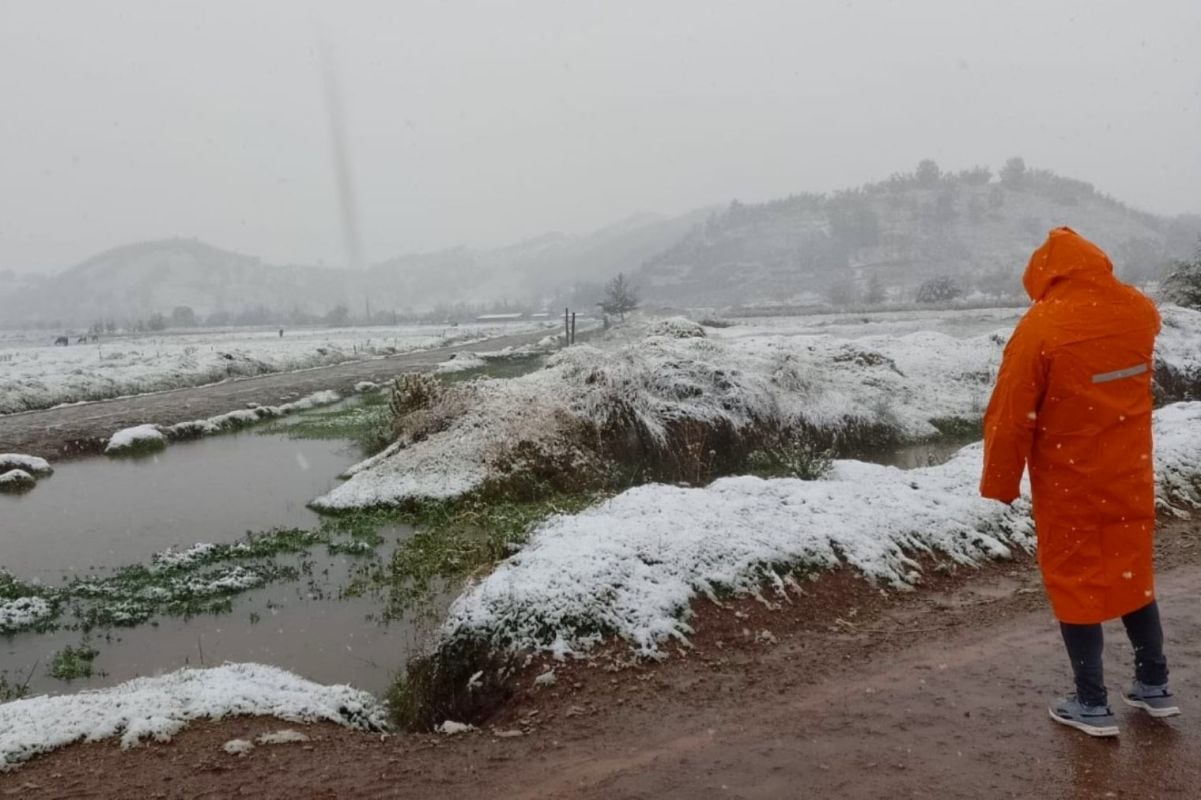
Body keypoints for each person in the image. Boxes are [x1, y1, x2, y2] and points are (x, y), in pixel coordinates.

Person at [980, 227, 1178, 738]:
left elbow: (1010, 413)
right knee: (1131, 573)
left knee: (1076, 582)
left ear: (1043, 274)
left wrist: (1000, 483)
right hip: (1128, 471)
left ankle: (1091, 703)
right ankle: (1154, 686)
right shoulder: (1137, 310)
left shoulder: (1041, 326)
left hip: (1070, 479)